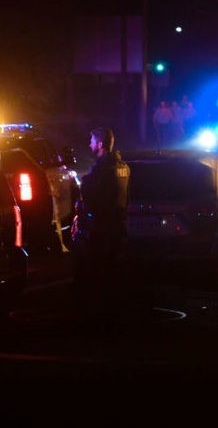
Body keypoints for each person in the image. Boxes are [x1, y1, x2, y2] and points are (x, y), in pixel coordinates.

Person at [71, 127, 131, 333]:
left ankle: (101, 320)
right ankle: (112, 315)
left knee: (99, 274)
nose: (89, 145)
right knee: (113, 272)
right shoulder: (122, 166)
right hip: (117, 227)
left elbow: (92, 197)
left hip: (103, 229)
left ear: (100, 144)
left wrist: (82, 185)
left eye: (91, 141)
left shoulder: (103, 170)